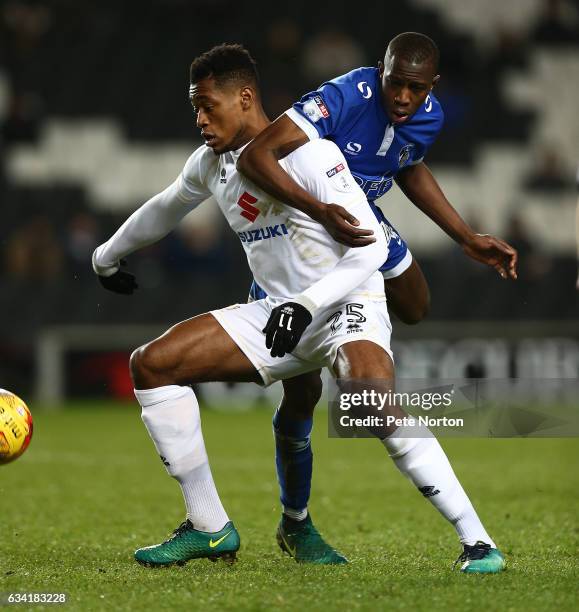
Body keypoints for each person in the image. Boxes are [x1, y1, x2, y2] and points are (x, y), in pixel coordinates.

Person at [93, 44, 505, 573]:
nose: (199, 119)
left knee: (370, 400)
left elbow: (372, 251)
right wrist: (107, 256)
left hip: (342, 303)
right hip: (279, 312)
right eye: (194, 107)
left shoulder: (313, 155)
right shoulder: (210, 164)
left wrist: (307, 306)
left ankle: (478, 543)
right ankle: (210, 527)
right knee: (151, 364)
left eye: (207, 106)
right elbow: (164, 208)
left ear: (244, 98)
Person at [237, 32, 517, 561]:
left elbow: (408, 165)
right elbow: (259, 155)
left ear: (432, 86)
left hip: (363, 229)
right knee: (300, 397)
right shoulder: (345, 96)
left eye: (415, 89)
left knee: (415, 306)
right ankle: (295, 519)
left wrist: (465, 237)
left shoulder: (428, 117)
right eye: (395, 84)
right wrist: (320, 211)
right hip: (306, 236)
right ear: (379, 71)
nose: (403, 98)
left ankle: (356, 327)